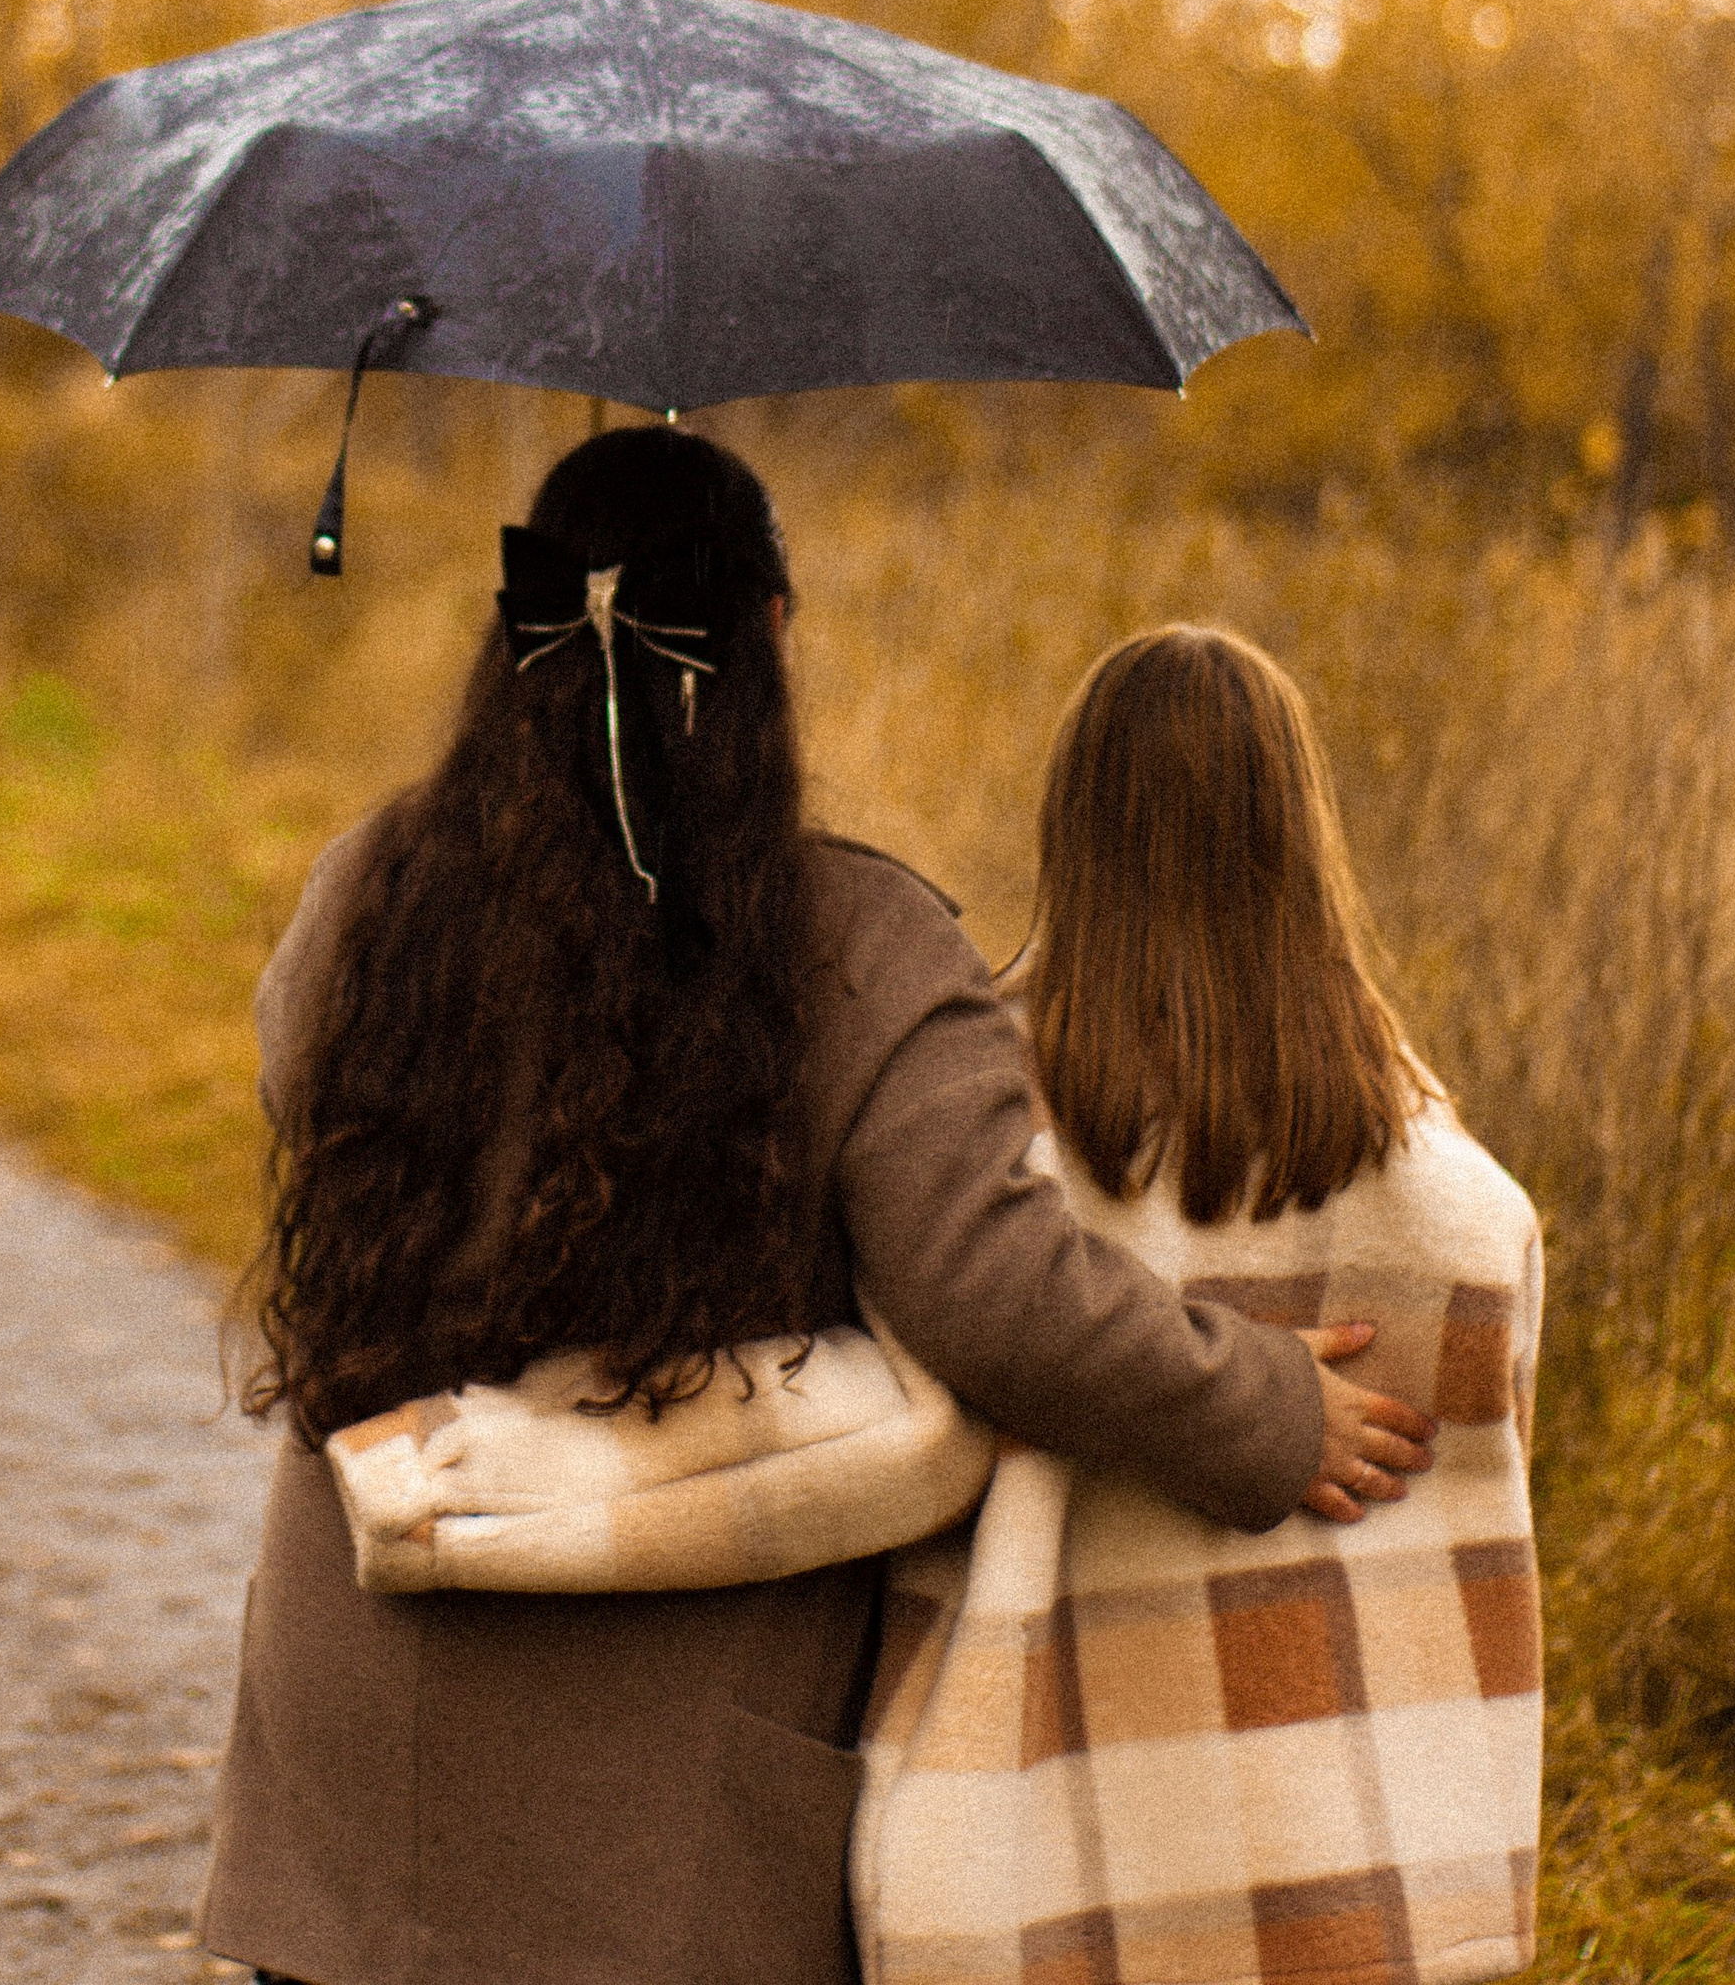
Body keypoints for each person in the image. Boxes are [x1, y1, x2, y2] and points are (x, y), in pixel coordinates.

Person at [197, 432, 1436, 1985]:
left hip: (362, 1727)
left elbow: (302, 1094)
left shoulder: (368, 893)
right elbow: (995, 1290)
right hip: (647, 1804)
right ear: (769, 638)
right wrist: (1259, 1407)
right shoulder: (858, 941)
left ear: (511, 645)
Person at [852, 626, 1543, 1983]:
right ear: (1304, 841)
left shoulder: (986, 1164)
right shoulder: (1463, 1210)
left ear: (1073, 830)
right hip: (1358, 1881)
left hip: (1040, 1873)